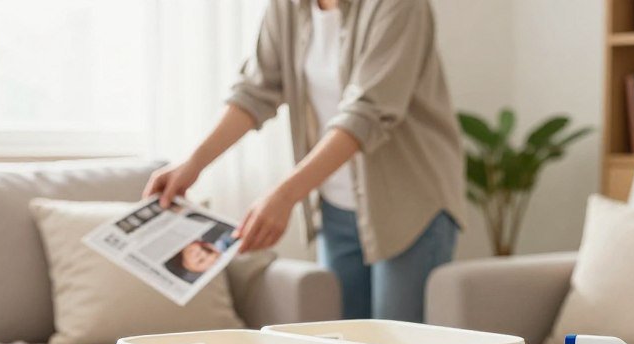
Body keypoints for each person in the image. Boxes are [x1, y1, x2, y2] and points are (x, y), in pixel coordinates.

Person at [144, 0, 465, 322]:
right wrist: (192, 164)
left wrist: (284, 196)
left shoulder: (398, 6)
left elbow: (366, 114)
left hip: (409, 205)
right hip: (335, 206)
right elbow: (256, 90)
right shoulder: (287, 6)